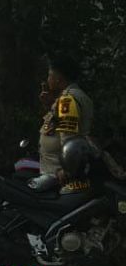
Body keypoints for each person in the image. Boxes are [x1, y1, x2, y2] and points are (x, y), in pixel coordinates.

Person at [35, 55, 93, 190]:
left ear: (58, 79)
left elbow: (69, 140)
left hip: (57, 175)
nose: (48, 80)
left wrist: (67, 170)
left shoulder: (67, 100)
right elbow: (59, 125)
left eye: (50, 76)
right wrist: (50, 105)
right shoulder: (72, 96)